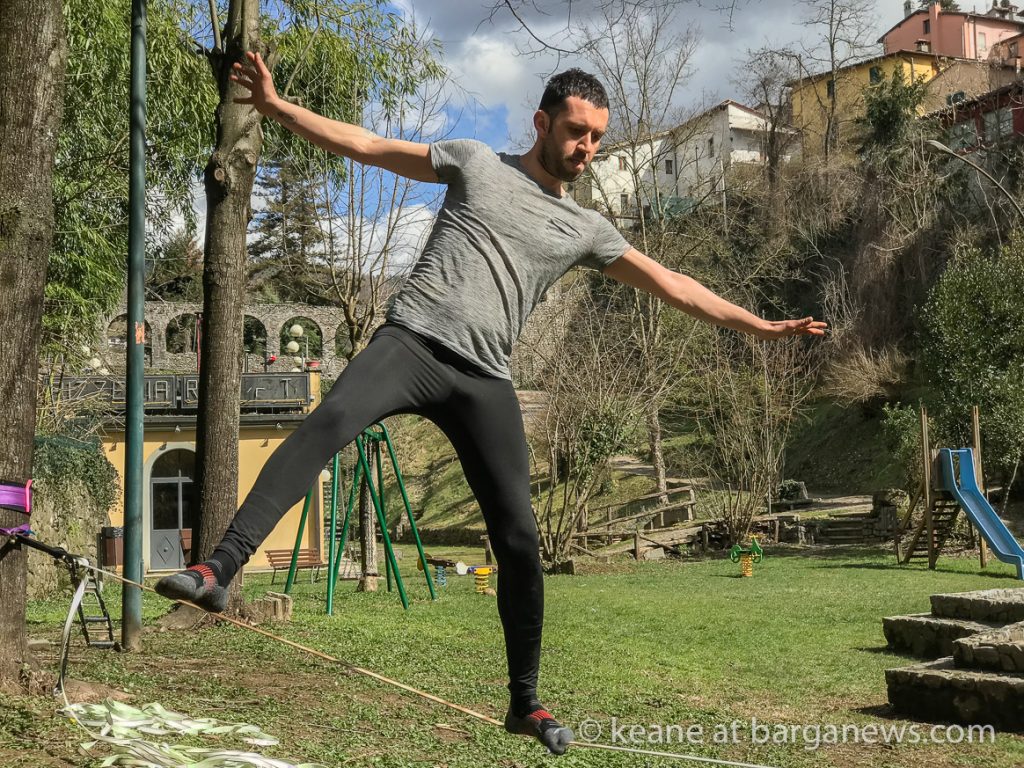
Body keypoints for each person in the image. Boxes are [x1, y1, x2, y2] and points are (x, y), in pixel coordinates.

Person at [156, 52, 827, 755]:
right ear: (542, 122)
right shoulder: (476, 162)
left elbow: (673, 284)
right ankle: (218, 569)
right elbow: (369, 146)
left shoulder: (587, 230)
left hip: (484, 380)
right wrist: (274, 106)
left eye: (597, 136)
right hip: (411, 342)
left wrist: (760, 325)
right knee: (323, 426)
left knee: (520, 541)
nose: (586, 148)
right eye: (575, 131)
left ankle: (525, 702)